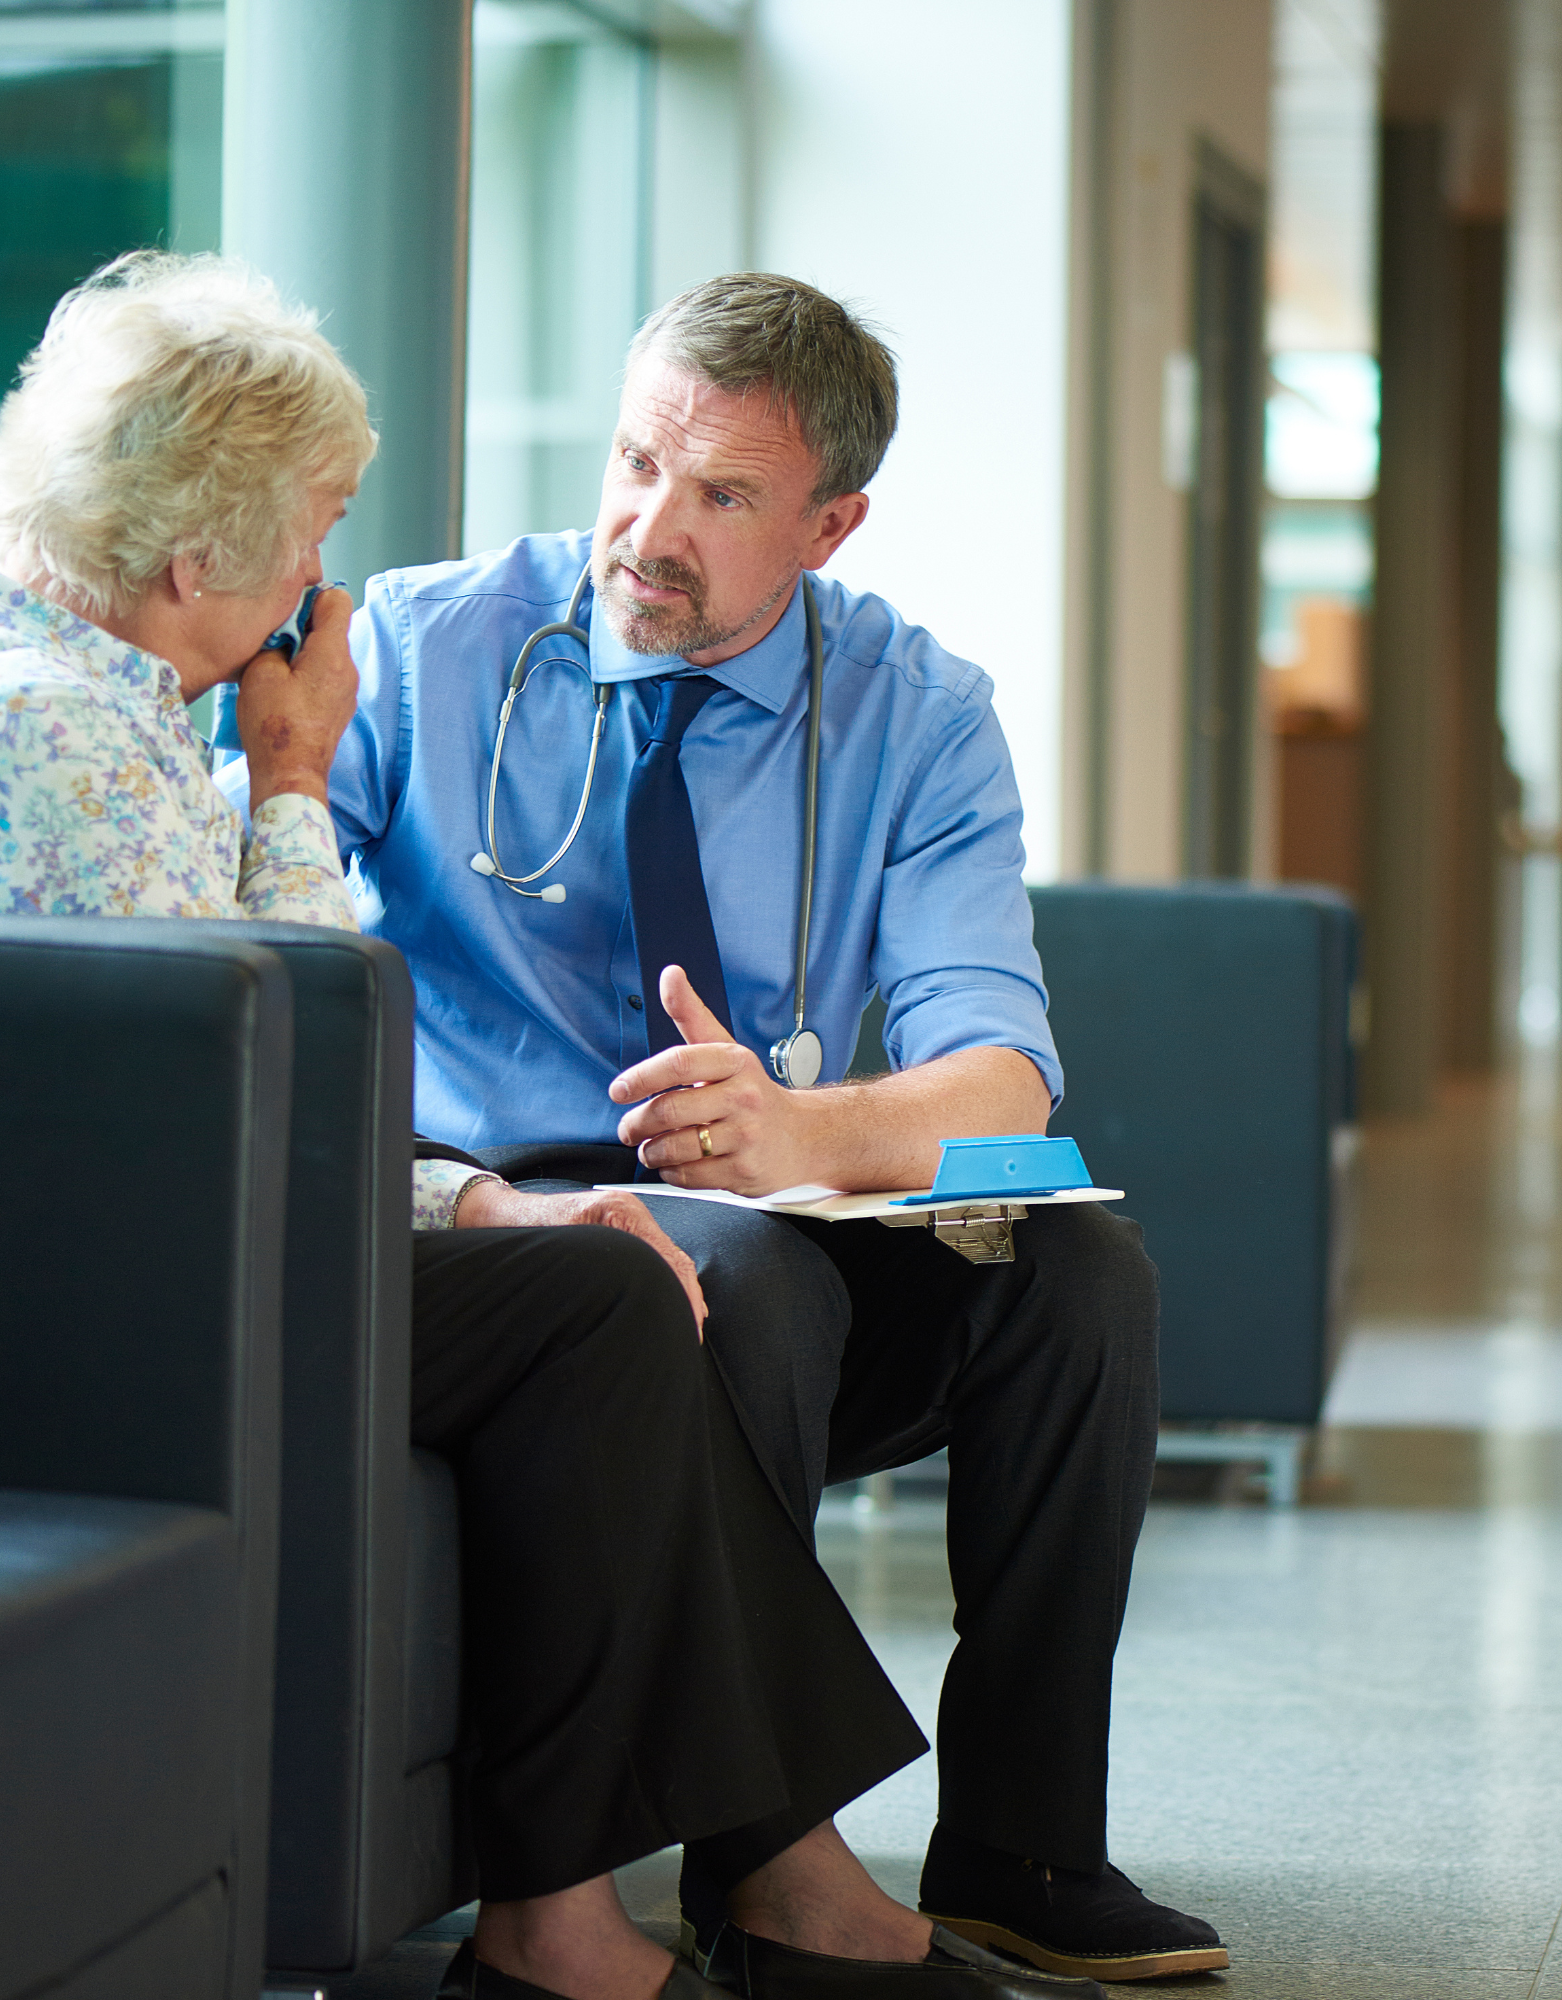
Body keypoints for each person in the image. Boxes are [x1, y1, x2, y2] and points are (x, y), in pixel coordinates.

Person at [0, 253, 1099, 2000]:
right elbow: (281, 1074)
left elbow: (239, 1071)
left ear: (830, 526)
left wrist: (593, 1180)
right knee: (622, 1300)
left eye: (726, 490)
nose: (326, 580)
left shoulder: (63, 697)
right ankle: (679, 1898)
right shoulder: (75, 745)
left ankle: (732, 1889)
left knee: (1030, 1275)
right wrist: (306, 788)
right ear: (192, 561)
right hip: (39, 1309)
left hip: (71, 1248)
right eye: (306, 532)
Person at [280, 272, 1218, 1985]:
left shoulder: (917, 715)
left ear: (832, 523)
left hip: (789, 1188)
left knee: (1088, 1276)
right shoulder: (421, 653)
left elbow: (1000, 1079)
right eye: (637, 460)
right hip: (517, 1233)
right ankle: (761, 1860)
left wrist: (803, 1131)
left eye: (720, 497)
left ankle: (1024, 1844)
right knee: (735, 1275)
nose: (647, 526)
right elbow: (256, 931)